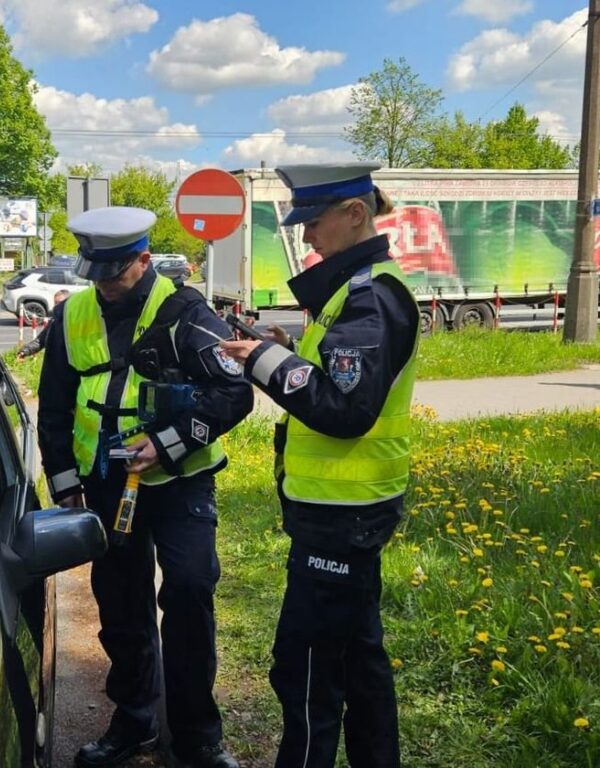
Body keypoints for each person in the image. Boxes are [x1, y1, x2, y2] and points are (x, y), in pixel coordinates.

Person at [37, 206, 253, 768]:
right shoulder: (74, 313)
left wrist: (168, 444)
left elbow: (235, 395)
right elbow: (55, 408)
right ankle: (134, 720)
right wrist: (66, 488)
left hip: (180, 483)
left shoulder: (186, 312)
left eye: (115, 273)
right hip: (107, 486)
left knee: (187, 593)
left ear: (143, 259)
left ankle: (198, 737)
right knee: (121, 605)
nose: (104, 286)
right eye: (96, 274)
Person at [219, 163, 420, 768]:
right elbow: (333, 375)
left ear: (355, 214)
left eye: (313, 221)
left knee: (306, 667)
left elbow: (346, 409)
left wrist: (265, 363)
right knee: (358, 660)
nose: (306, 237)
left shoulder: (370, 296)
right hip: (341, 513)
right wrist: (279, 347)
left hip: (343, 516)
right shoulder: (353, 290)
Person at [17, 288, 70, 358]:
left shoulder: (74, 321)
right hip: (55, 363)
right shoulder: (53, 322)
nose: (57, 306)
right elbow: (40, 340)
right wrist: (25, 351)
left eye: (60, 303)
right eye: (55, 303)